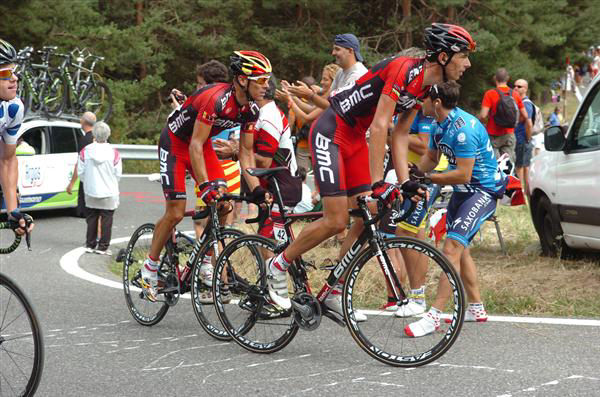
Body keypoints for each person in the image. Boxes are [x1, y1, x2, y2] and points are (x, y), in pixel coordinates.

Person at [264, 23, 476, 321]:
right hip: (331, 130)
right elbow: (380, 125)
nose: (467, 64)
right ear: (443, 56)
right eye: (463, 56)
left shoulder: (427, 86)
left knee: (370, 212)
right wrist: (379, 182)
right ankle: (278, 264)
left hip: (354, 139)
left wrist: (405, 182)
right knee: (336, 220)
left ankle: (334, 291)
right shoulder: (404, 70)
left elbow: (400, 133)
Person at [140, 51, 271, 302]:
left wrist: (256, 188)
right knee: (176, 212)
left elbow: (245, 153)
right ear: (243, 80)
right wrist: (205, 186)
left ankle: (205, 262)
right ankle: (150, 268)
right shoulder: (216, 100)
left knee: (224, 204)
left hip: (202, 147)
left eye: (267, 80)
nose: (266, 86)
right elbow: (194, 145)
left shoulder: (250, 111)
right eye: (261, 80)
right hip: (177, 145)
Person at [405, 81, 507, 337]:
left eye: (425, 99)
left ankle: (434, 315)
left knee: (451, 248)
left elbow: (463, 174)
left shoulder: (464, 129)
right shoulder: (440, 125)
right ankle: (476, 307)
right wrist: (415, 173)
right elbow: (431, 158)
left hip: (482, 192)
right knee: (461, 250)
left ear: (436, 102)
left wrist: (429, 179)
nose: (422, 104)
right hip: (463, 194)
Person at [0, 39, 34, 235]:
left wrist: (13, 211)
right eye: (5, 74)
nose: (14, 79)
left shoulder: (13, 108)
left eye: (15, 72)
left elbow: (6, 159)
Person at [284, 33, 368, 110]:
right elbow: (327, 100)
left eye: (337, 49)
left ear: (350, 51)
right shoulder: (341, 71)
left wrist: (309, 95)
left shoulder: (357, 75)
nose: (333, 53)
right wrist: (299, 93)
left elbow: (338, 108)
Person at [77, 122, 122, 255]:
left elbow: (81, 172)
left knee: (91, 217)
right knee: (107, 218)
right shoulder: (114, 153)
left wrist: (89, 182)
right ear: (108, 135)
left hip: (91, 190)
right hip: (109, 191)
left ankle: (90, 244)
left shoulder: (85, 151)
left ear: (94, 135)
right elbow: (118, 174)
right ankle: (103, 246)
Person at [479, 68, 528, 163]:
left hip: (493, 134)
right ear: (508, 78)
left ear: (494, 78)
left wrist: (483, 124)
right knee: (508, 166)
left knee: (494, 165)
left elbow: (483, 115)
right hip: (509, 134)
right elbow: (525, 115)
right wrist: (515, 123)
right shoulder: (515, 94)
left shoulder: (490, 94)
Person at [67, 112, 97, 217]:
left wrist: (71, 183)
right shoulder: (101, 138)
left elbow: (80, 163)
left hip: (87, 178)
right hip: (99, 177)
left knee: (85, 212)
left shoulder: (84, 140)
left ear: (83, 121)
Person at [513, 79, 534, 196]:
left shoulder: (526, 104)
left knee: (520, 167)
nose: (516, 88)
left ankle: (519, 195)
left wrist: (528, 139)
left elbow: (529, 123)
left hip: (522, 139)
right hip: (522, 139)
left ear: (525, 89)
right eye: (515, 86)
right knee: (525, 168)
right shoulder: (520, 102)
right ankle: (526, 194)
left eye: (519, 86)